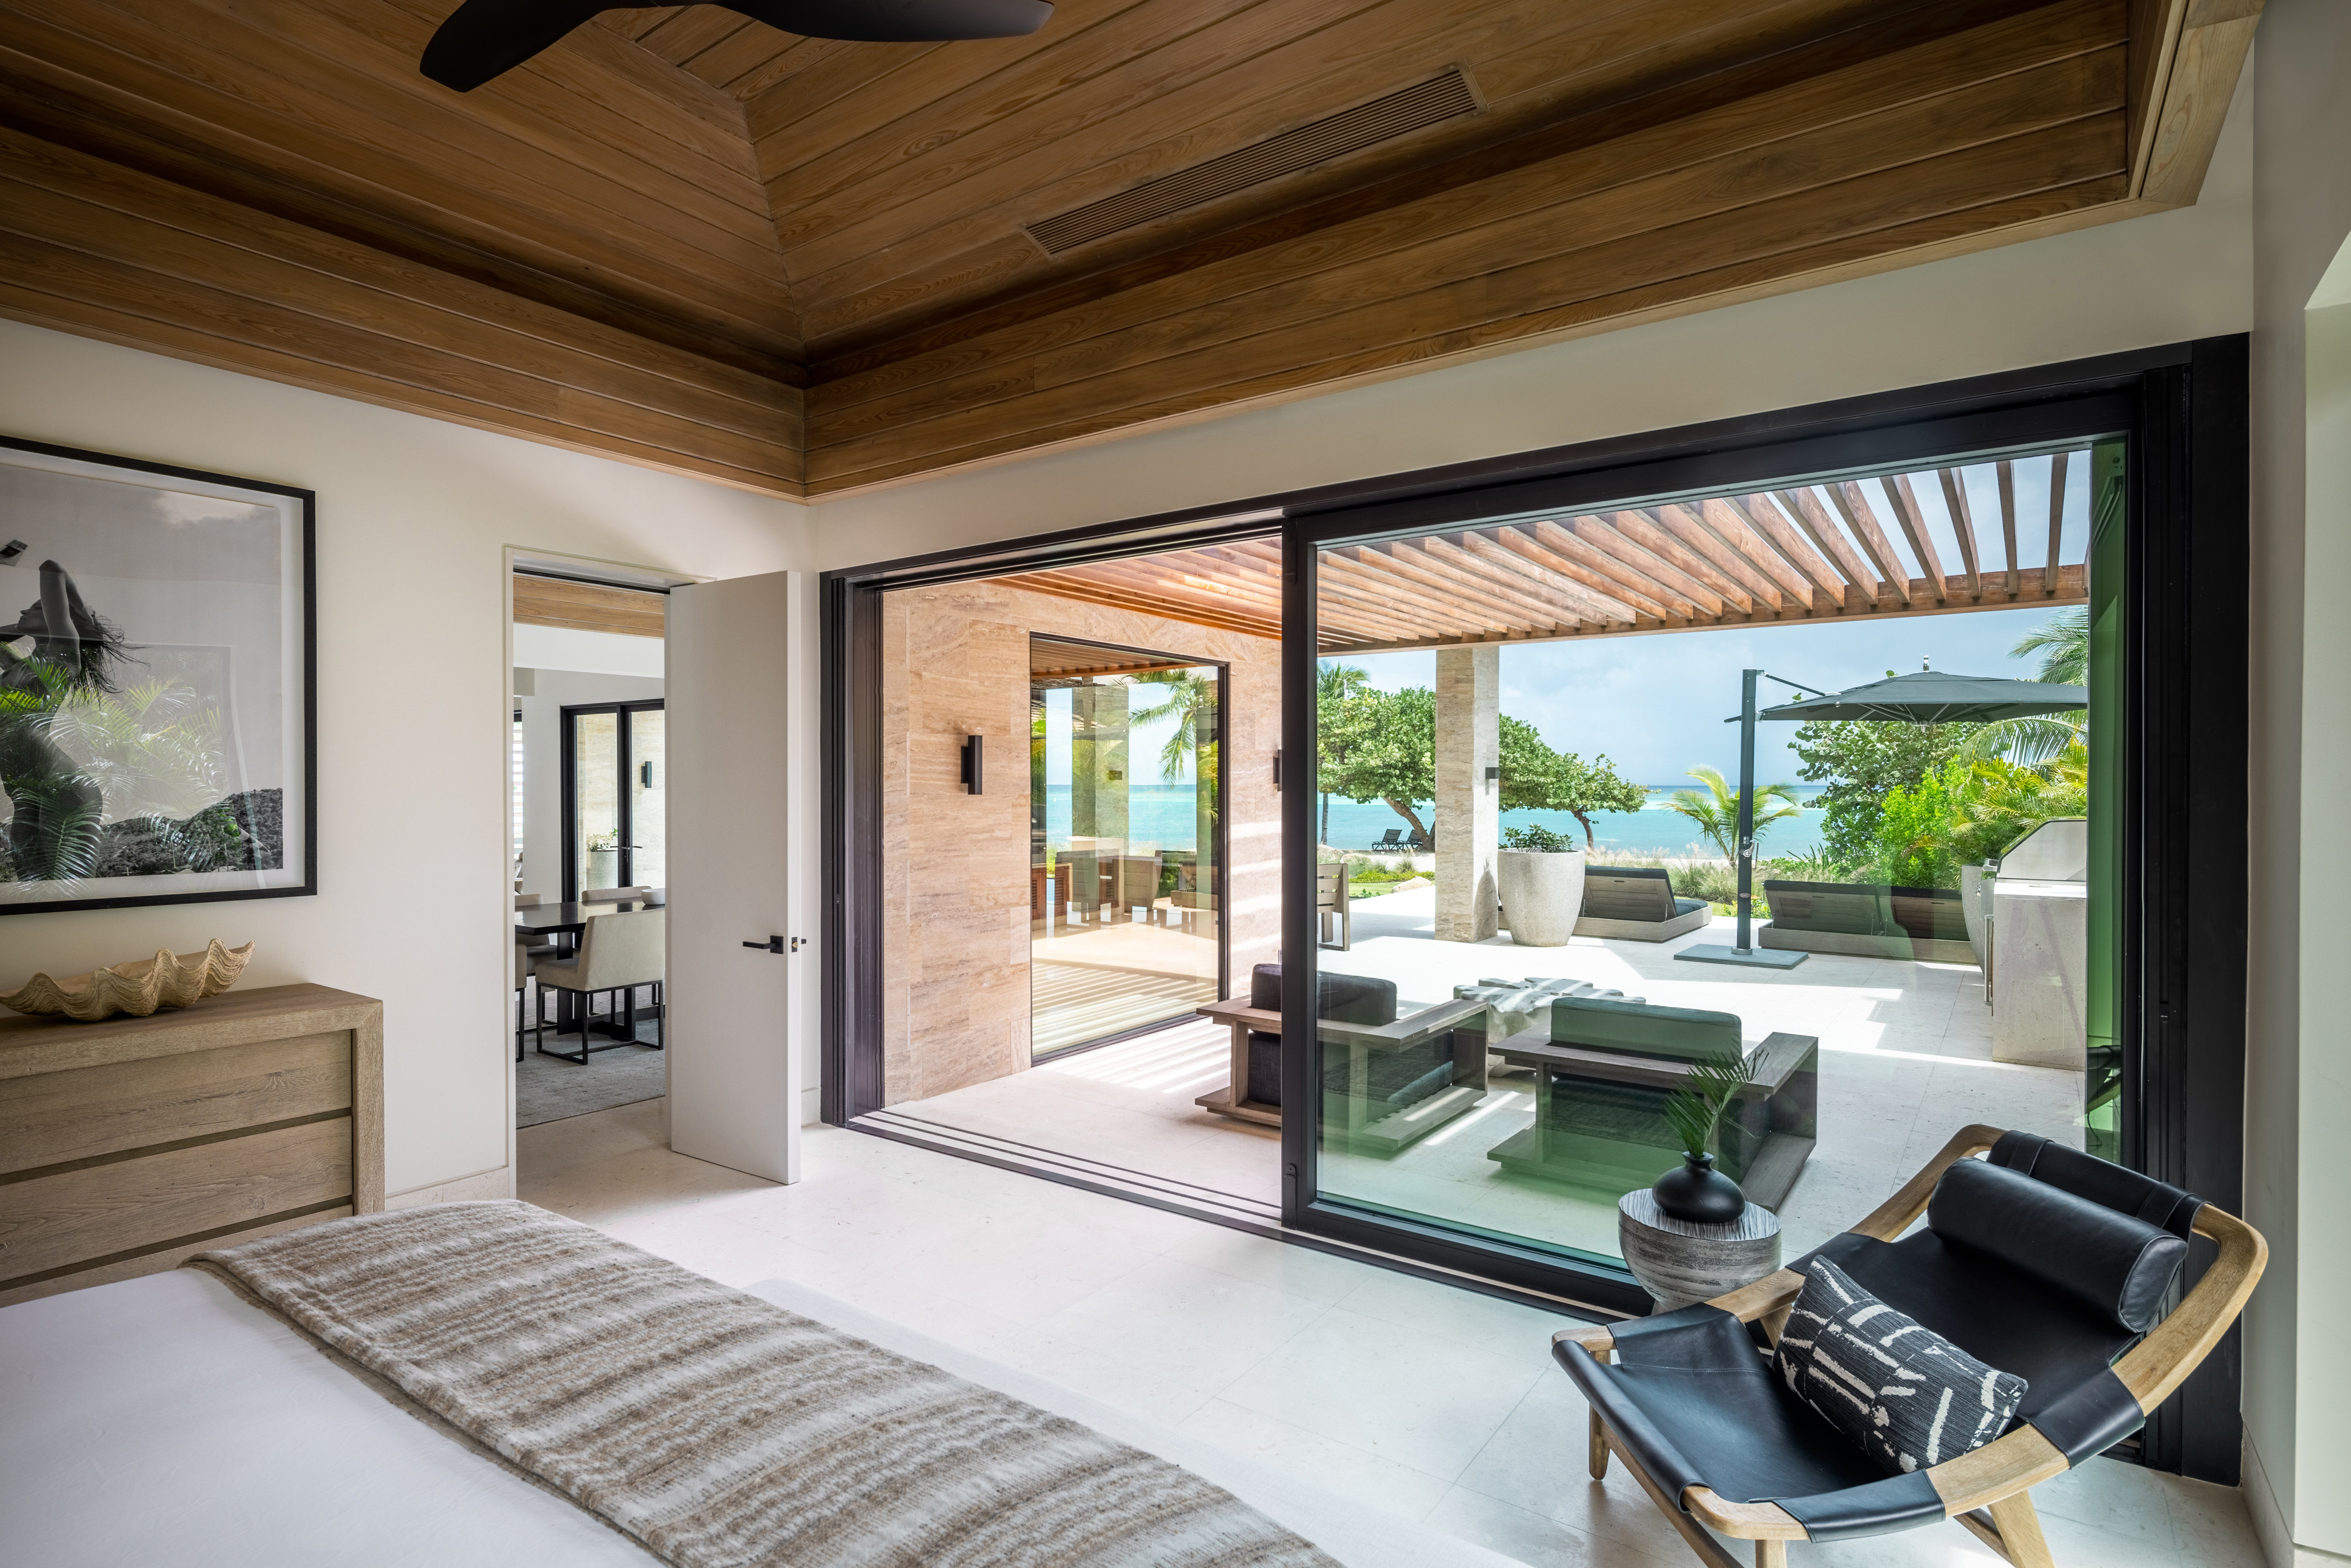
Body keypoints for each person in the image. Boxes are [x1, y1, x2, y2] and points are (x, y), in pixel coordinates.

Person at [0, 558, 130, 881]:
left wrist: (78, 618)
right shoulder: (21, 665)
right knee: (34, 892)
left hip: (64, 789)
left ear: (61, 622)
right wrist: (33, 624)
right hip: (24, 793)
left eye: (35, 607)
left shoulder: (62, 655)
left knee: (69, 891)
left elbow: (51, 568)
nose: (22, 611)